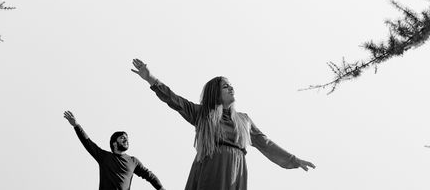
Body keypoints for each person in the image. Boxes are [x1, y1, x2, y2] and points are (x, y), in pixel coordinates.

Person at [130, 58, 315, 190]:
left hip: (236, 169)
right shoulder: (203, 114)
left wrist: (293, 159)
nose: (231, 88)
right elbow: (175, 100)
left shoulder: (244, 120)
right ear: (215, 93)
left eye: (231, 85)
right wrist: (151, 79)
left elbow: (265, 143)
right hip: (212, 167)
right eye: (225, 86)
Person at [64, 110, 164, 190]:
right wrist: (76, 125)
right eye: (122, 137)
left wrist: (161, 188)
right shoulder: (105, 157)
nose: (126, 139)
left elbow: (150, 176)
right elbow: (88, 143)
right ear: (114, 143)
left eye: (127, 138)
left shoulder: (133, 161)